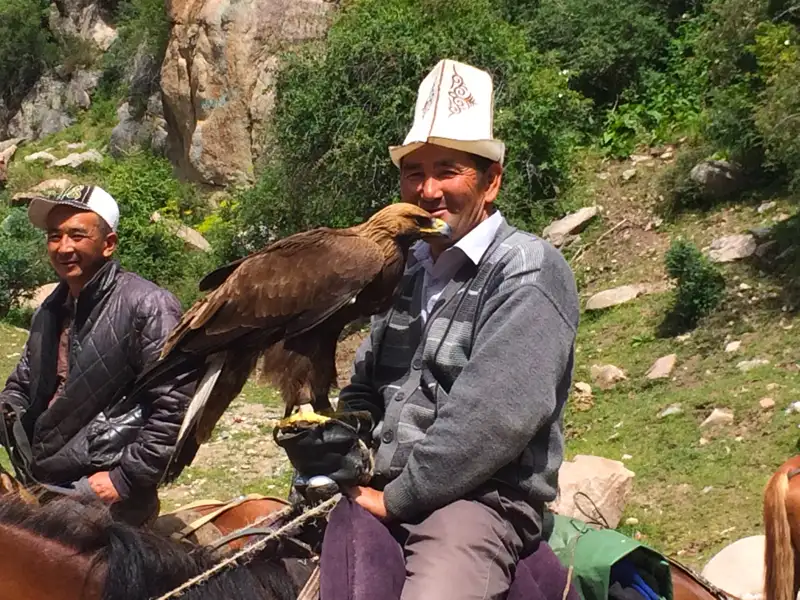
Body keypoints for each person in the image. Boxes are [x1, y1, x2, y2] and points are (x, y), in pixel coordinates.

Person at [281, 59, 581, 599]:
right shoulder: (406, 266)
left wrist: (398, 499)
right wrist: (340, 438)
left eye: (447, 171)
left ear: (491, 182)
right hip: (380, 482)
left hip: (477, 502)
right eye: (414, 173)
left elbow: (495, 417)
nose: (428, 189)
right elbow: (367, 382)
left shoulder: (528, 269)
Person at [0, 184, 193, 526]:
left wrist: (125, 478)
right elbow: (22, 387)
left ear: (108, 244)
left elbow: (175, 406)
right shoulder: (50, 309)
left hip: (100, 491)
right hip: (48, 480)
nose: (64, 247)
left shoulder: (147, 305)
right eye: (54, 236)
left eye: (77, 235)